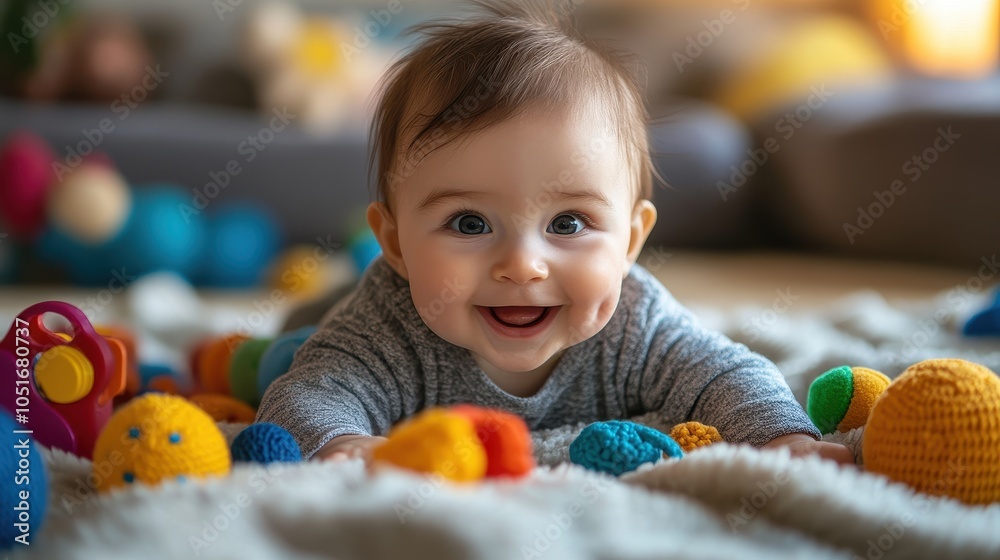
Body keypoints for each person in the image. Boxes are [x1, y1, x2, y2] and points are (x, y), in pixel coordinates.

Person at [256, 0, 852, 465]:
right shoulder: (385, 325)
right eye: (470, 223)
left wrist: (781, 437)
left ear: (629, 241)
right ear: (395, 244)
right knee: (295, 340)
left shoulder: (637, 323)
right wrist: (341, 445)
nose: (522, 265)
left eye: (568, 224)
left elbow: (728, 374)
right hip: (337, 314)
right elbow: (301, 398)